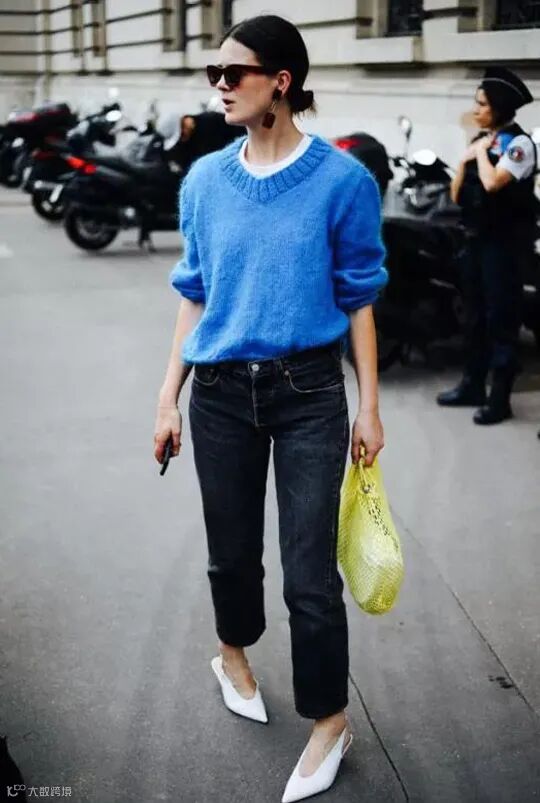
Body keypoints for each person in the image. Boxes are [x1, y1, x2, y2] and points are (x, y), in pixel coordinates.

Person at [153, 14, 387, 803]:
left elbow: (359, 300)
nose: (219, 86)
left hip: (309, 393)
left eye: (234, 73)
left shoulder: (343, 182)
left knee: (310, 573)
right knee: (231, 553)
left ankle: (330, 718)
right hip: (219, 394)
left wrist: (369, 407)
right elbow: (194, 295)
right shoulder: (203, 182)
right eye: (213, 74)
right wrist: (167, 396)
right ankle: (233, 655)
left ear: (280, 81)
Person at [437, 66, 536, 424]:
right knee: (475, 316)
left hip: (504, 247)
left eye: (482, 104)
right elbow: (456, 193)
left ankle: (500, 398)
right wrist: (467, 159)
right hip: (476, 241)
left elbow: (494, 183)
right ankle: (472, 384)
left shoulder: (519, 145)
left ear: (499, 107)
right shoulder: (482, 141)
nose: (476, 110)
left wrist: (478, 153)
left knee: (500, 319)